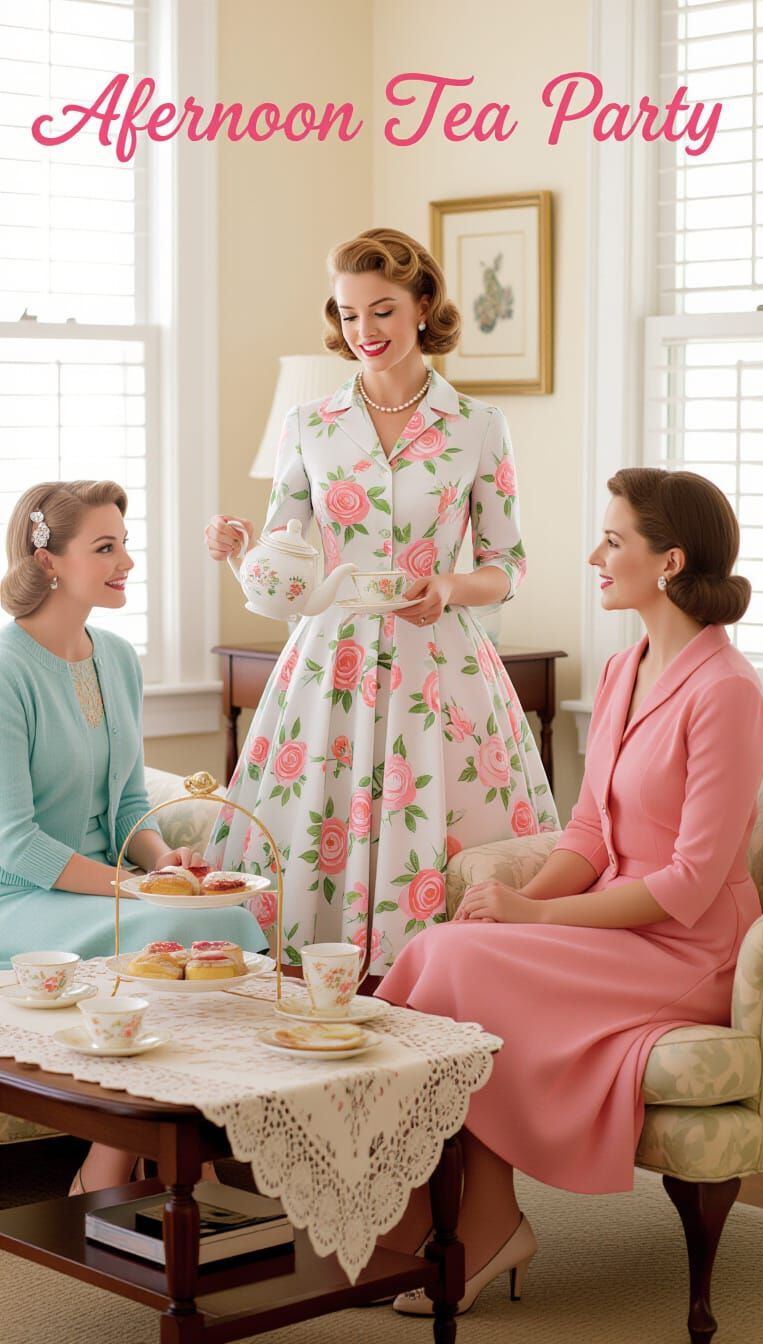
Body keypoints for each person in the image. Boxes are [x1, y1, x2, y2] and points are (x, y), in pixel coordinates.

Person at [374, 467, 763, 1316]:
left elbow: (690, 883)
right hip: (616, 926)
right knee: (451, 948)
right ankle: (438, 1204)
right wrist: (511, 912)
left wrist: (537, 912)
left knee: (461, 962)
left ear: (669, 561)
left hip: (691, 948)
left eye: (613, 541)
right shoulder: (626, 668)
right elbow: (588, 832)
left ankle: (477, 1220)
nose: (596, 556)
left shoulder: (729, 692)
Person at [204, 228, 557, 972]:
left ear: (423, 305)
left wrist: (451, 586)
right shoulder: (309, 425)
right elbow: (285, 563)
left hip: (441, 663)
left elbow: (508, 565)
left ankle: (430, 986)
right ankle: (312, 989)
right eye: (349, 313)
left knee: (435, 825)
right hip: (330, 663)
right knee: (315, 830)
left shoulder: (478, 426)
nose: (364, 330)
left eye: (383, 310)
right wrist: (239, 547)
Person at [0, 481, 268, 1192]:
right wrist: (139, 888)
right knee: (170, 927)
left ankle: (177, 1145)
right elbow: (17, 844)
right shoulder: (5, 671)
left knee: (223, 918)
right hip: (20, 897)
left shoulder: (117, 657)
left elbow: (127, 807)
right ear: (48, 559)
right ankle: (111, 1163)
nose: (126, 562)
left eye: (125, 544)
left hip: (103, 886)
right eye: (105, 548)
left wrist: (163, 859)